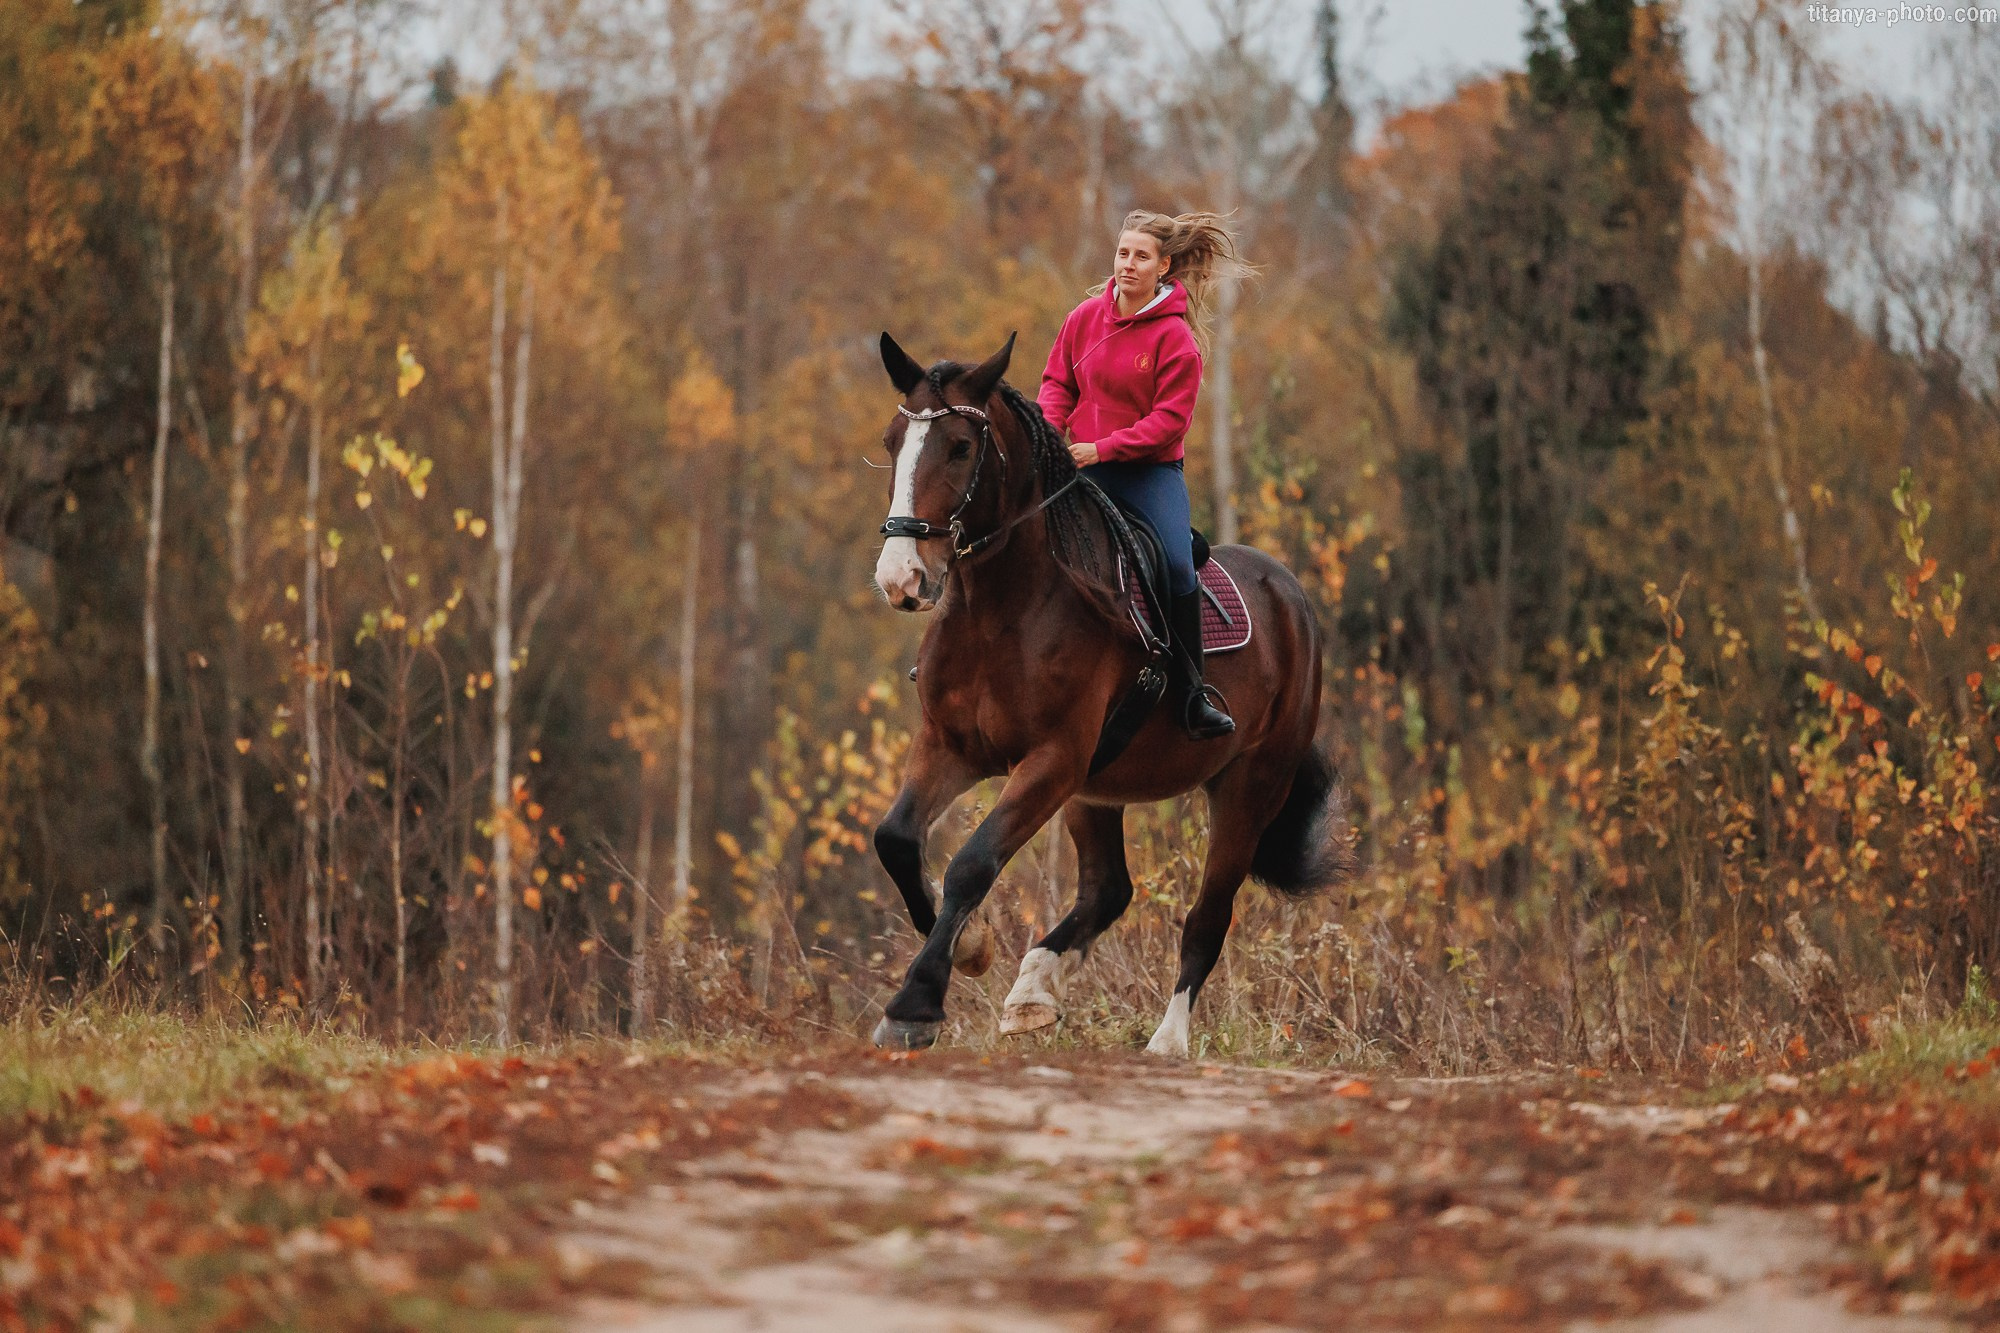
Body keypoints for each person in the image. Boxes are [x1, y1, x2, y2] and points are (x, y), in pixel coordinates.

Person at [1038, 209, 1245, 740]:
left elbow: (1167, 424)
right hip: (1080, 462)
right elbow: (1058, 383)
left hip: (1147, 474)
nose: (1128, 265)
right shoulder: (1082, 318)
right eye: (1123, 253)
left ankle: (1194, 693)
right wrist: (1047, 432)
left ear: (1164, 266)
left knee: (1178, 565)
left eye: (1141, 256)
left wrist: (1101, 450)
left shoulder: (1176, 340)